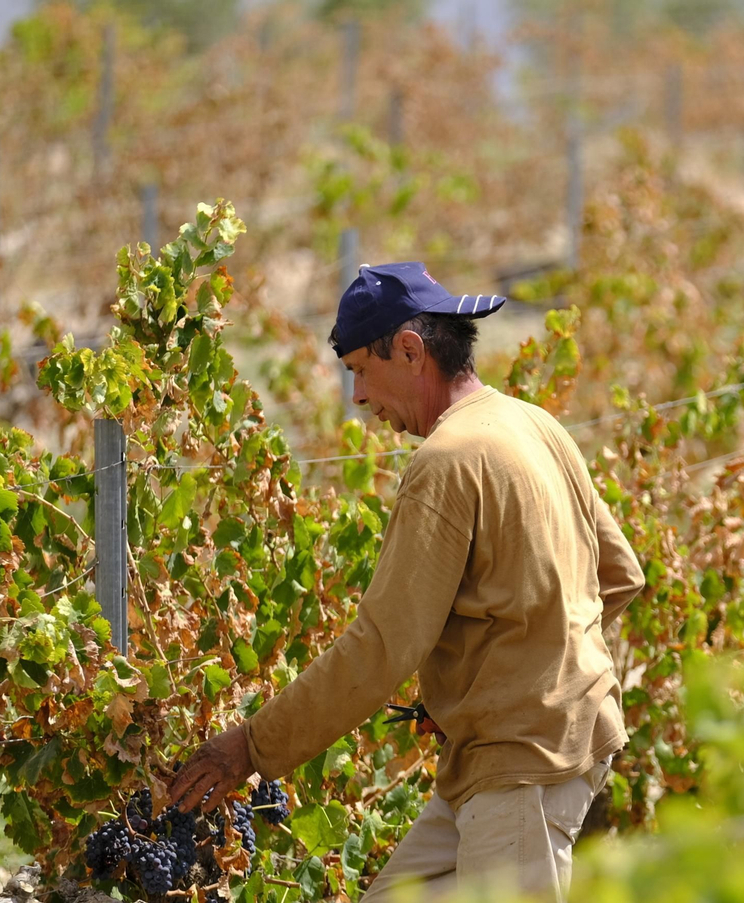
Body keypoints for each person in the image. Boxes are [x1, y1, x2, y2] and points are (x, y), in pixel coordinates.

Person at [168, 262, 646, 901]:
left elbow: (383, 646)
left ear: (412, 350)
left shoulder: (445, 462)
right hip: (520, 750)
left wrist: (251, 748)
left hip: (521, 765)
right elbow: (618, 575)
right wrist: (515, 671)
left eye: (361, 370)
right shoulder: (534, 424)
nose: (359, 397)